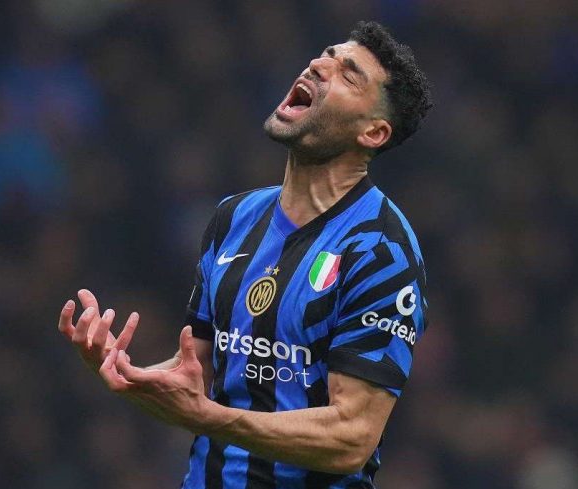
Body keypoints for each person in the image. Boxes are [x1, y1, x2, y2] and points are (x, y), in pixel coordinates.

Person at [58, 20, 432, 488]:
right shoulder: (233, 217)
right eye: (326, 54)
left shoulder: (380, 250)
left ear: (373, 133)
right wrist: (124, 372)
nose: (319, 65)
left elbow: (352, 437)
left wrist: (210, 417)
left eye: (348, 74)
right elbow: (198, 376)